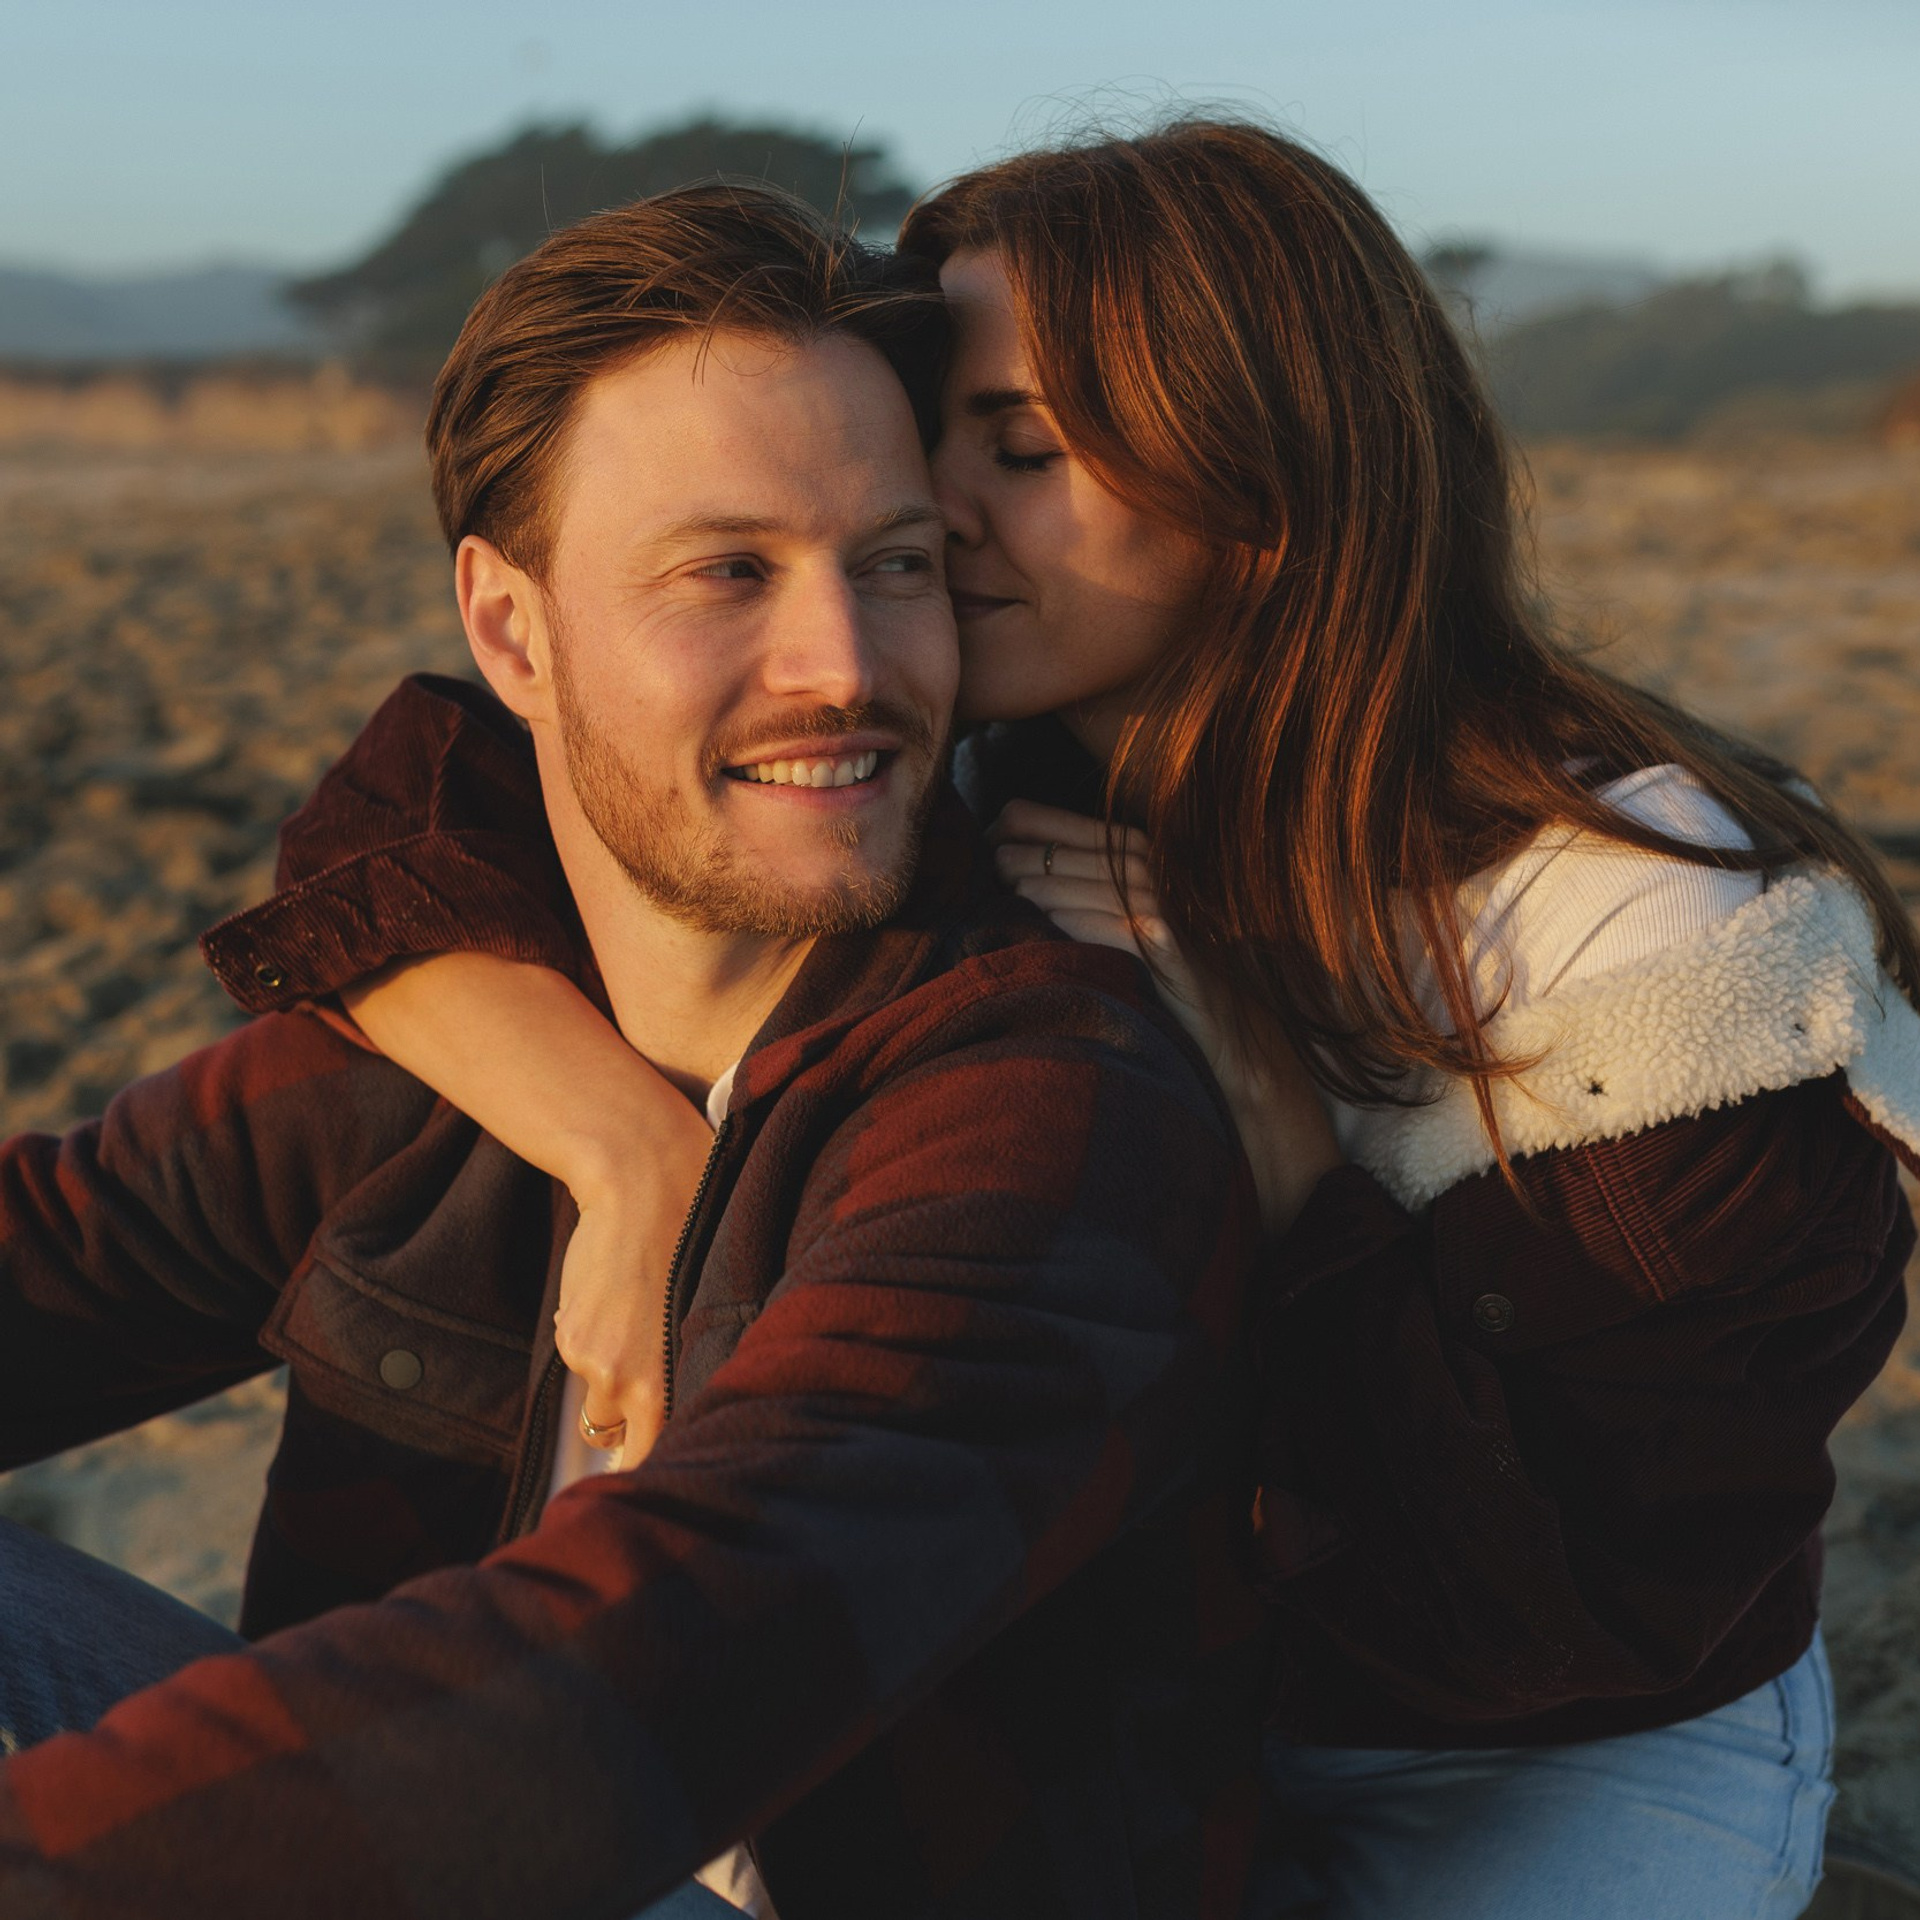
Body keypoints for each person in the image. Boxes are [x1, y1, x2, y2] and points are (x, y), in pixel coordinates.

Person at [234, 121, 1920, 1920]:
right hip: (1154, 1697)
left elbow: (1556, 1603)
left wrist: (1288, 1153)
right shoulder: (950, 747)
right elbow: (412, 816)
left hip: (1556, 1736)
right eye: (936, 429)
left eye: (1021, 449)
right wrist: (621, 1143)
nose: (935, 504)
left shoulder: (1650, 940)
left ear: (1267, 478)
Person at [0, 183, 1278, 1919]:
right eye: (728, 571)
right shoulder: (463, 1032)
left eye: (896, 564)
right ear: (511, 632)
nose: (844, 666)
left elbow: (644, 1672)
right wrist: (618, 1141)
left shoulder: (1046, 1107)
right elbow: (62, 1253)